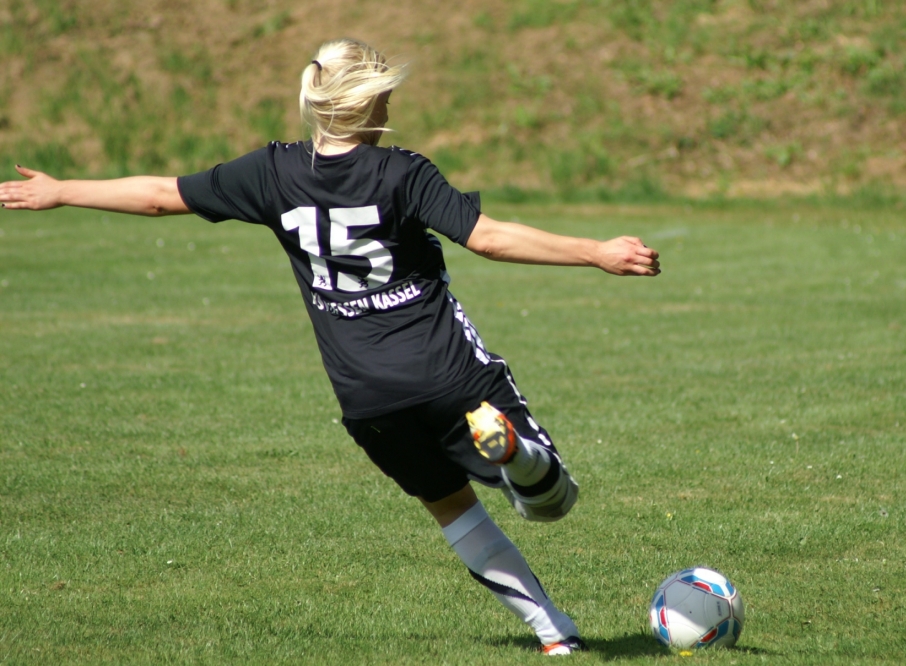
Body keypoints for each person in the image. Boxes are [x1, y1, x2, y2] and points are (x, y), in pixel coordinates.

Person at [0, 38, 660, 655]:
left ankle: (554, 636)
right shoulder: (402, 172)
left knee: (454, 511)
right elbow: (486, 238)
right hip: (448, 373)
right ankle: (516, 456)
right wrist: (595, 252)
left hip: (367, 397)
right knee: (553, 503)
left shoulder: (272, 172)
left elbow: (157, 196)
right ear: (372, 102)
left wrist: (62, 191)